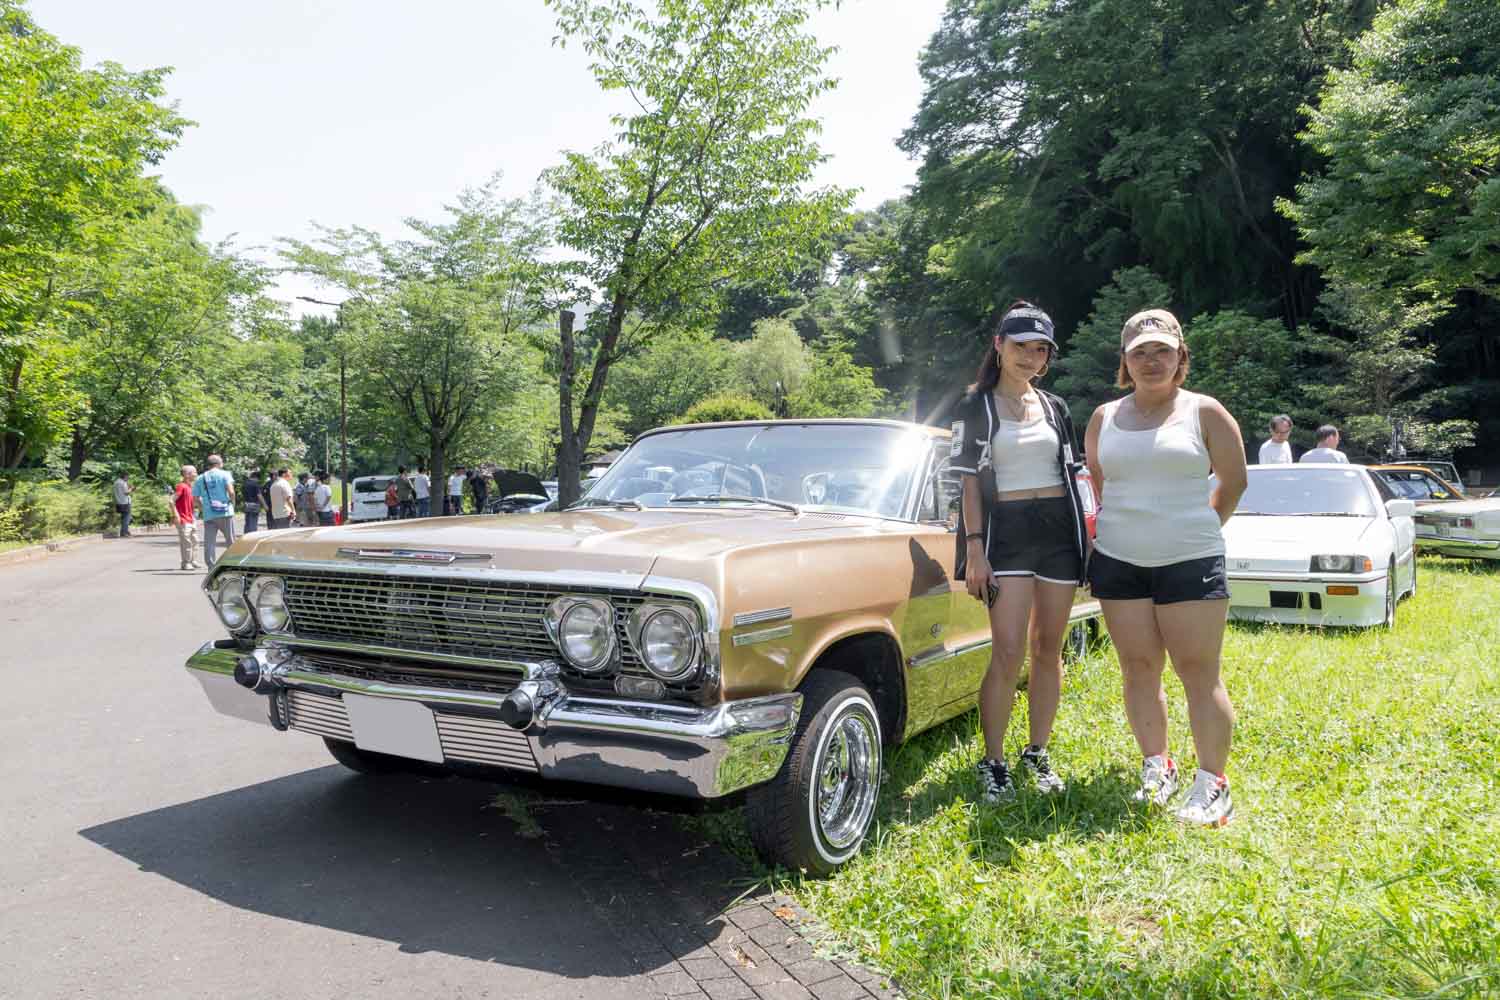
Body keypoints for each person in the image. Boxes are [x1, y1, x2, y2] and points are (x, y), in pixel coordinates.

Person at [1083, 309, 1247, 827]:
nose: (1151, 361)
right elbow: (1101, 483)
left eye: (1162, 351)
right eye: (1140, 352)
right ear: (1125, 361)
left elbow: (1234, 481)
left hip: (1190, 559)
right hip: (1119, 561)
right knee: (1138, 668)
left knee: (1198, 672)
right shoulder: (1104, 417)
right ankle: (1158, 766)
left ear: (1181, 357)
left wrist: (1196, 528)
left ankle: (1213, 783)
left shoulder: (1205, 412)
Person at [950, 301, 1091, 801]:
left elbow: (1073, 475)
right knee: (1008, 650)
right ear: (998, 346)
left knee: (1048, 648)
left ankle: (1037, 751)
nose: (1030, 357)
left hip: (1057, 532)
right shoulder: (976, 405)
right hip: (1005, 533)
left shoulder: (1055, 407)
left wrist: (1088, 539)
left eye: (1040, 350)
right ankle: (993, 761)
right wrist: (975, 550)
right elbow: (969, 482)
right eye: (1020, 347)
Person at [192, 454, 237, 568]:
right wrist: (232, 504)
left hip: (209, 514)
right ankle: (233, 563)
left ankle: (211, 566)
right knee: (230, 540)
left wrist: (203, 509)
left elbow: (195, 499)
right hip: (225, 512)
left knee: (209, 542)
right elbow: (231, 492)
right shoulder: (225, 474)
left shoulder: (200, 478)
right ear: (218, 464)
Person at [169, 465, 200, 570]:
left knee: (195, 541)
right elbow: (171, 501)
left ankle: (193, 560)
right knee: (186, 542)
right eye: (194, 472)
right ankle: (186, 563)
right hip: (183, 519)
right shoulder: (181, 486)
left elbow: (193, 502)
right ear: (187, 475)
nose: (196, 474)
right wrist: (175, 515)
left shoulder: (190, 487)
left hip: (191, 518)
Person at [112, 471, 134, 538]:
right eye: (127, 477)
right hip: (125, 502)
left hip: (119, 502)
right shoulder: (123, 483)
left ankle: (125, 531)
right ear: (125, 476)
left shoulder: (116, 482)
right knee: (127, 518)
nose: (128, 478)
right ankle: (124, 533)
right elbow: (126, 492)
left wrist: (128, 487)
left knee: (124, 518)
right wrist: (131, 488)